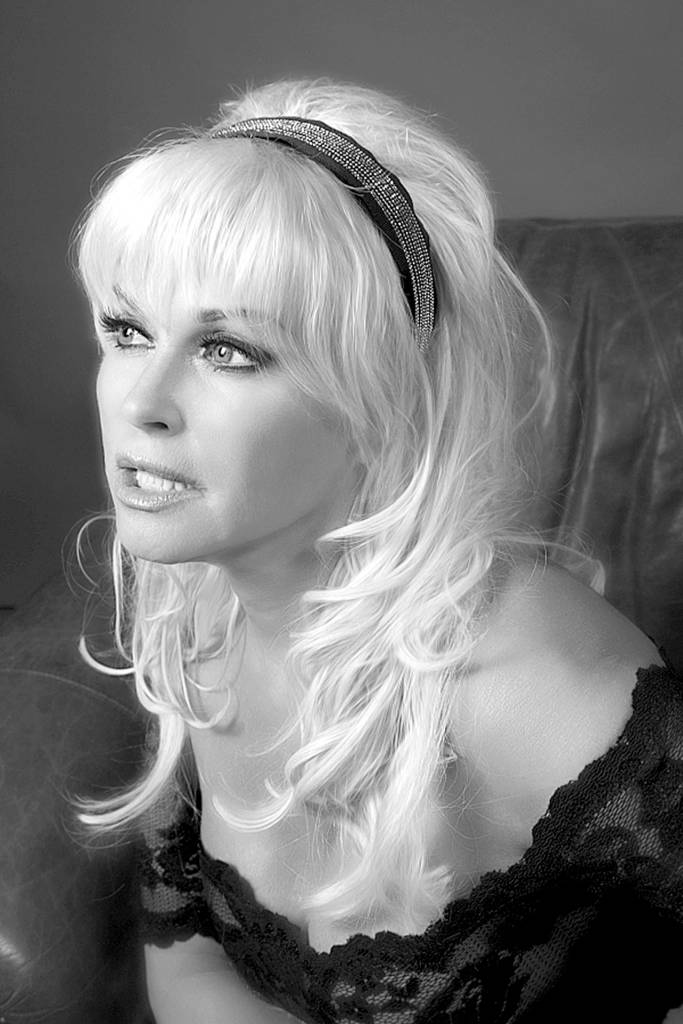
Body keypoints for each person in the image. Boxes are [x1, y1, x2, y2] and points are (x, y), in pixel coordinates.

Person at [73, 79, 683, 1023]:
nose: (139, 401)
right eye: (127, 330)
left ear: (378, 400)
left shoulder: (536, 690)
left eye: (228, 349)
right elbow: (188, 956)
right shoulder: (192, 607)